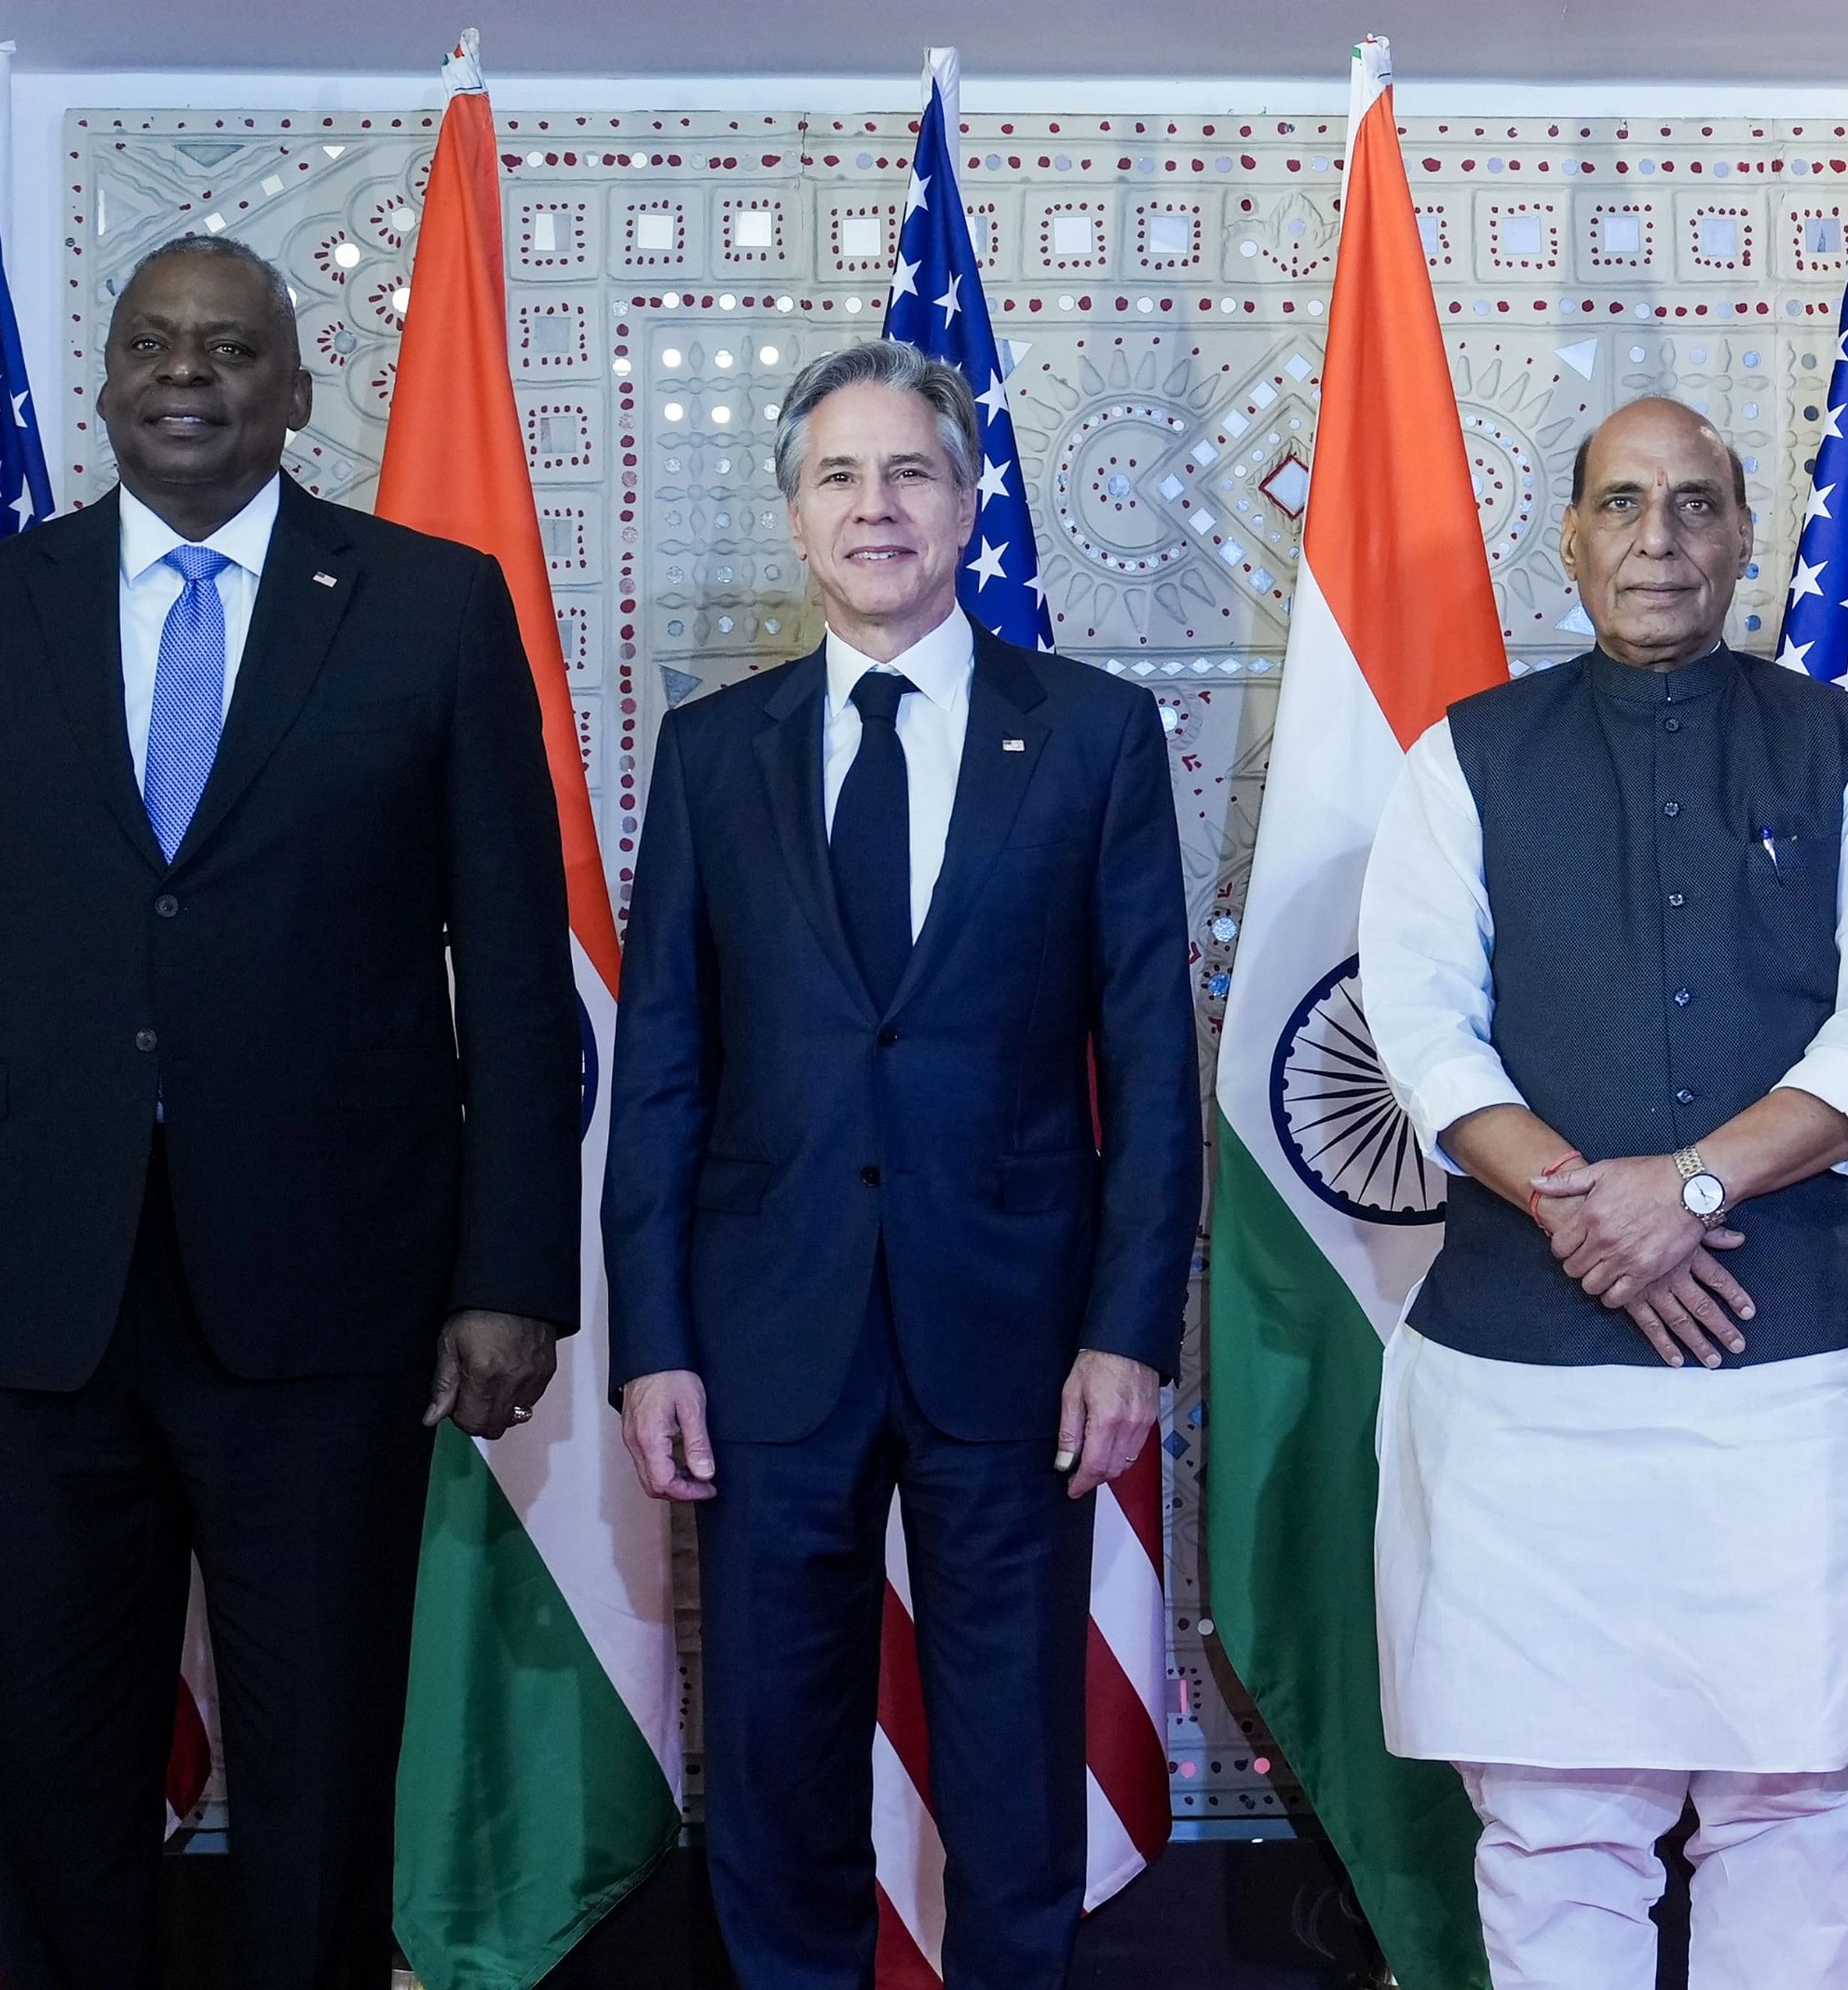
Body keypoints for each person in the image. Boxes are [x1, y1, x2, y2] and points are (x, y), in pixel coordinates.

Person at [0, 233, 581, 1989]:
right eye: (153, 344)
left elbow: (517, 981)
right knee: (50, 1758)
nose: (186, 373)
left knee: (317, 1763)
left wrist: (510, 1274)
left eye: (230, 349)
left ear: (297, 392)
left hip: (327, 1299)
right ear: (101, 383)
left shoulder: (429, 606)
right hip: (30, 1299)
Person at [1355, 394, 1848, 1990]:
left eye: (1696, 505)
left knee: (1801, 1791)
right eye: (1624, 506)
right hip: (1527, 1377)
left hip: (1808, 1368)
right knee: (1555, 1812)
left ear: (1742, 538)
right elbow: (1420, 1028)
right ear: (1567, 539)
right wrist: (1599, 1216)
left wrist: (1690, 1188)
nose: (1660, 540)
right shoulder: (1464, 760)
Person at [603, 339, 1197, 1990]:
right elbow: (662, 1065)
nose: (877, 507)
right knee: (776, 1760)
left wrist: (1127, 1329)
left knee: (1013, 1756)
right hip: (765, 1337)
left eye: (910, 474)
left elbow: (1151, 1062)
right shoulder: (716, 754)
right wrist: (651, 1337)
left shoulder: (1087, 736)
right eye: (840, 478)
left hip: (1015, 1339)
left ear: (964, 503)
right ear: (794, 518)